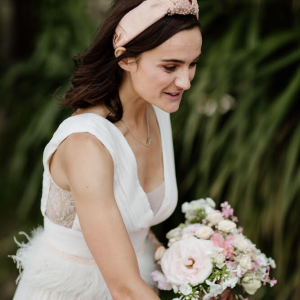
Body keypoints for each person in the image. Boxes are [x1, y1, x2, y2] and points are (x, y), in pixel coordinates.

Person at [10, 0, 233, 299]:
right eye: (170, 66)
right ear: (126, 58)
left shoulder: (159, 114)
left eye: (192, 64)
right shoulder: (86, 146)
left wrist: (197, 273)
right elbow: (124, 288)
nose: (185, 82)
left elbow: (135, 228)